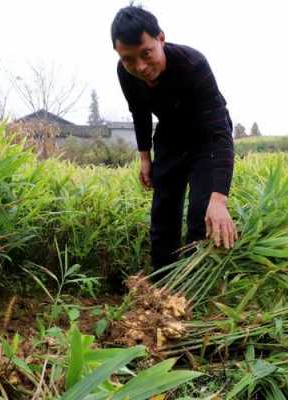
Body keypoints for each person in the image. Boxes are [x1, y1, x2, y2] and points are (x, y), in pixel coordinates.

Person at [111, 5, 238, 271]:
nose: (141, 67)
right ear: (119, 54)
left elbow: (219, 133)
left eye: (146, 54)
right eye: (129, 59)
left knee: (201, 213)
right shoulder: (126, 73)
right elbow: (140, 112)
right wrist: (145, 157)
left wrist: (219, 199)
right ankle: (162, 283)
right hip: (169, 134)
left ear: (161, 38)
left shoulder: (193, 65)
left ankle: (194, 285)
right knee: (163, 212)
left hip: (205, 136)